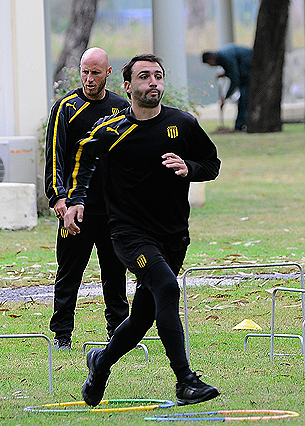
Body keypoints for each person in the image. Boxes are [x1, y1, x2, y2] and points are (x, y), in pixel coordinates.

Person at [64, 53, 221, 406]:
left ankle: (100, 364)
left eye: (158, 76)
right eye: (145, 76)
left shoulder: (183, 124)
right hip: (128, 233)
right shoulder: (112, 130)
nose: (153, 82)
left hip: (173, 235)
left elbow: (212, 164)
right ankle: (185, 381)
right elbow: (82, 158)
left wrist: (189, 166)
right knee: (167, 287)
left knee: (142, 318)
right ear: (128, 86)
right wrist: (75, 199)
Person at [44, 47, 130, 351]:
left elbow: (126, 159)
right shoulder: (65, 107)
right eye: (84, 72)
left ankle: (119, 333)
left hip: (112, 210)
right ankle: (62, 335)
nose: (89, 78)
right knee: (69, 273)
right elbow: (55, 155)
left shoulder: (122, 108)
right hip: (75, 209)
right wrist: (58, 199)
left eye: (95, 72)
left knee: (115, 273)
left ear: (108, 73)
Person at [201, 44, 252, 131]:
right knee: (243, 98)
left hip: (248, 66)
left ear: (211, 60)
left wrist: (225, 97)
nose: (210, 66)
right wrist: (225, 74)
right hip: (243, 68)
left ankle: (240, 126)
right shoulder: (222, 57)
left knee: (244, 98)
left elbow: (235, 79)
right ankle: (240, 125)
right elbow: (232, 70)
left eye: (209, 64)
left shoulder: (225, 57)